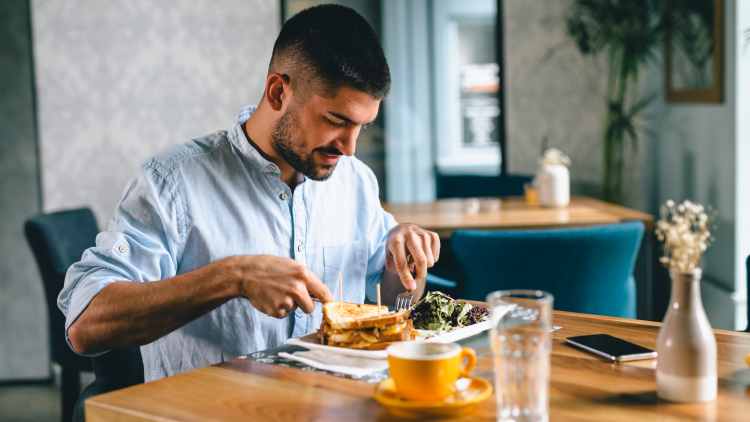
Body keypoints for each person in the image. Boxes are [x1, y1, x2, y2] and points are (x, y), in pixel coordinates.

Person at [58, 4, 440, 382]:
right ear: (278, 92)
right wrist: (232, 277)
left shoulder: (355, 181)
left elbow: (394, 304)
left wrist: (403, 264)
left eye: (362, 127)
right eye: (336, 121)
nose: (350, 147)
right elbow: (85, 325)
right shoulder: (172, 182)